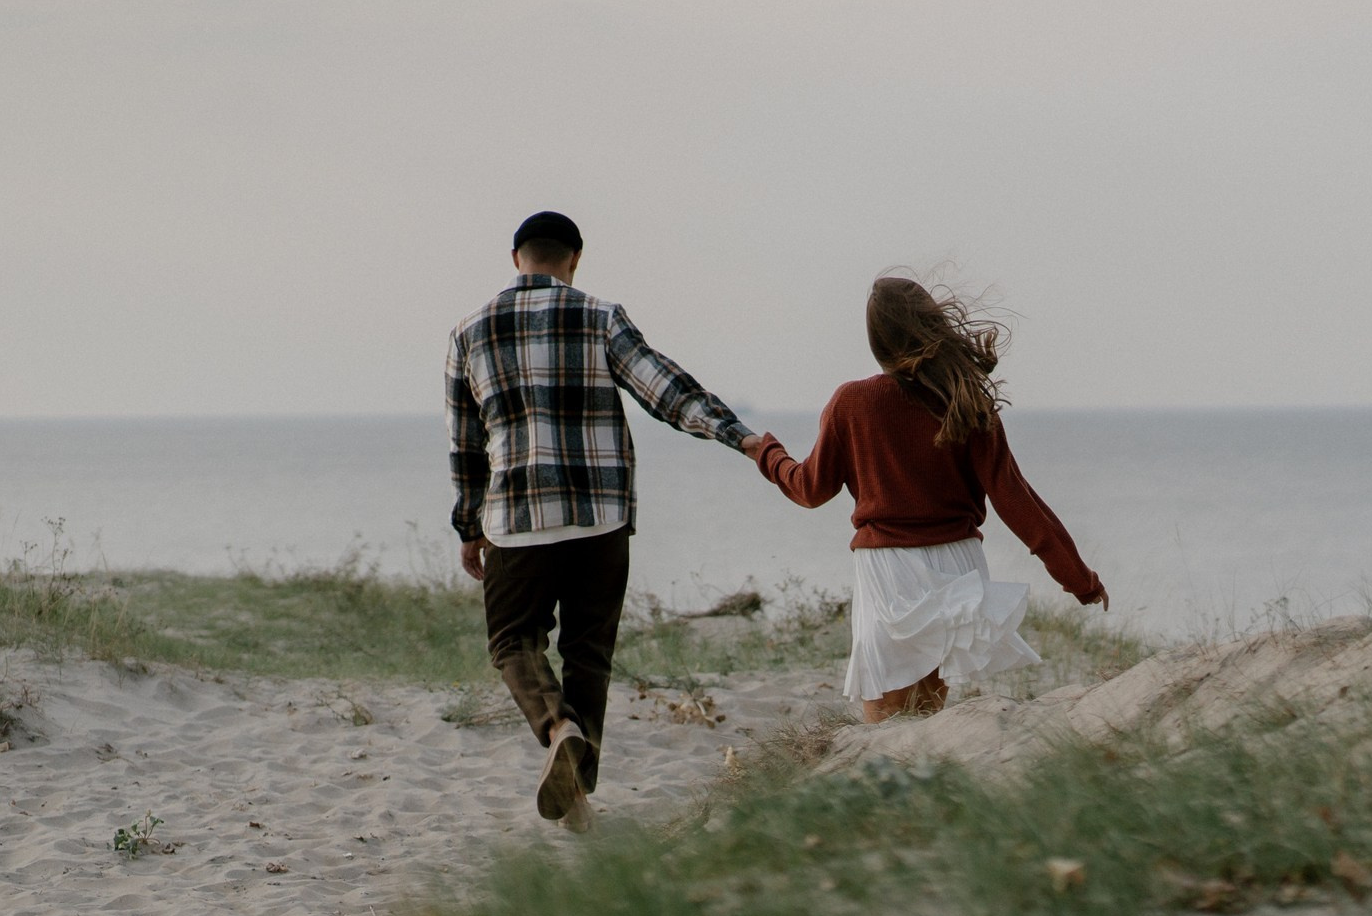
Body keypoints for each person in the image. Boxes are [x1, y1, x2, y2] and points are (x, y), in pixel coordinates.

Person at [446, 211, 770, 831]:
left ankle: (557, 727)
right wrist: (741, 437)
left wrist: (468, 525)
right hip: (601, 520)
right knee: (588, 654)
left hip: (517, 518)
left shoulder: (468, 332)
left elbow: (464, 443)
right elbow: (664, 390)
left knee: (513, 641)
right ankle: (577, 793)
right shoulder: (600, 315)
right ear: (575, 260)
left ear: (517, 258)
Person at [750, 275, 1106, 723]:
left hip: (891, 570)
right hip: (957, 564)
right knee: (926, 715)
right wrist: (1079, 579)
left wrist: (766, 453)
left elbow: (809, 488)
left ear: (877, 342)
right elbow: (1016, 499)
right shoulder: (964, 400)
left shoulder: (852, 402)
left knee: (885, 719)